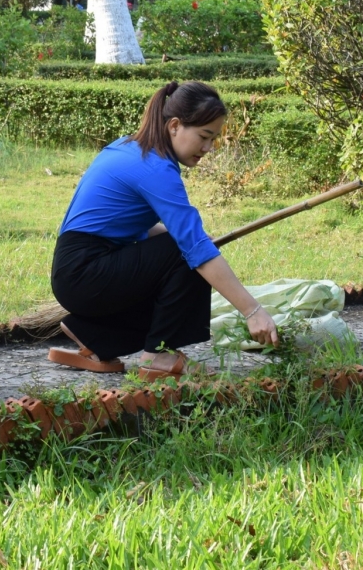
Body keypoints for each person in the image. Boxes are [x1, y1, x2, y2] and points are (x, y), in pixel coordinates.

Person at [48, 81, 280, 381]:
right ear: (174, 125)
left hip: (76, 268)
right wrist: (253, 311)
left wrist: (179, 241)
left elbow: (116, 225)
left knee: (181, 249)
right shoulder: (155, 168)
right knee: (186, 254)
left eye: (214, 139)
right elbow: (194, 247)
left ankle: (96, 338)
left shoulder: (130, 147)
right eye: (204, 136)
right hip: (84, 273)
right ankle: (158, 354)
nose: (208, 148)